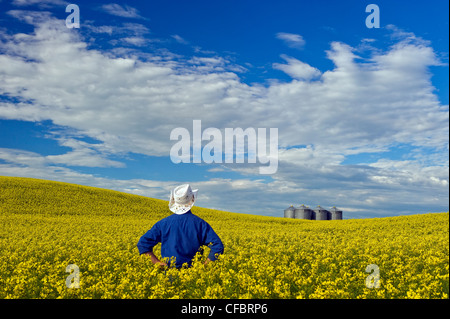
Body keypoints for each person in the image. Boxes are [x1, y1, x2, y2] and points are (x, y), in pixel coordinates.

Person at [137, 184, 224, 269]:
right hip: (194, 274)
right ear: (192, 199)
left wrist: (157, 263)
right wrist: (205, 266)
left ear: (174, 200)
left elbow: (143, 244)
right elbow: (217, 246)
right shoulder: (200, 224)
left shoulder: (163, 224)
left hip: (169, 274)